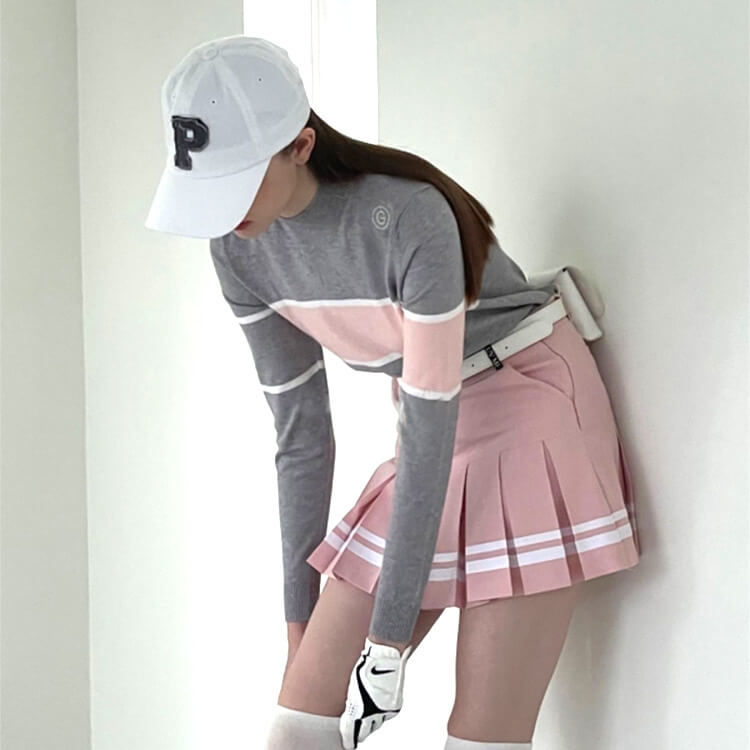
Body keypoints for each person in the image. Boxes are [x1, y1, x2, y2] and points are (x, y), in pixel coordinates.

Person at [145, 35, 641, 750]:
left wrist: (386, 642)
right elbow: (301, 434)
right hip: (430, 426)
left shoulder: (409, 216)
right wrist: (299, 619)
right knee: (297, 731)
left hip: (529, 408)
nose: (221, 211)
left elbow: (430, 431)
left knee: (480, 739)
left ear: (300, 145)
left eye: (237, 181)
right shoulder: (237, 250)